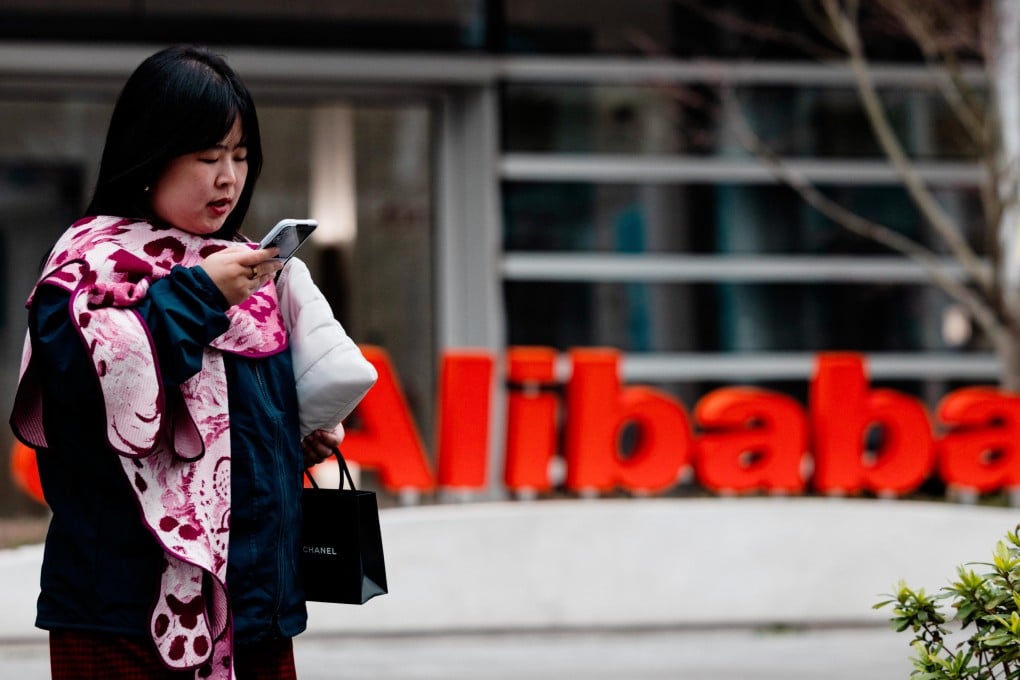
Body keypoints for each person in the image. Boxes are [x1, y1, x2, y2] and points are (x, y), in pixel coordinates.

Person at [9, 45, 375, 679]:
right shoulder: (89, 267)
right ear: (150, 159)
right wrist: (200, 294)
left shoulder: (248, 265)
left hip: (253, 610)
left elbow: (229, 423)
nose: (228, 178)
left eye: (239, 156)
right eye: (208, 157)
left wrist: (291, 439)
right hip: (121, 612)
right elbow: (84, 403)